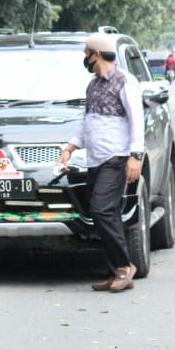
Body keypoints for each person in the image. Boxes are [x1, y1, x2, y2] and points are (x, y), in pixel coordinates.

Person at [57, 32, 145, 292]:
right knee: (103, 215)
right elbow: (88, 122)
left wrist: (135, 156)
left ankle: (124, 267)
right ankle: (115, 271)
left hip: (116, 158)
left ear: (95, 54)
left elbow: (136, 120)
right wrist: (71, 147)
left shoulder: (124, 81)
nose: (85, 59)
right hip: (95, 159)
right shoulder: (93, 85)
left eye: (86, 54)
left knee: (102, 209)